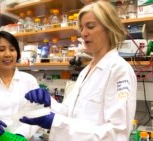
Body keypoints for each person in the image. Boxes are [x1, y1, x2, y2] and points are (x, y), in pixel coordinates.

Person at [19, 1, 137, 141]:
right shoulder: (86, 71)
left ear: (109, 28)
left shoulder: (119, 69)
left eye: (90, 26)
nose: (84, 33)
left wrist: (55, 122)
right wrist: (50, 102)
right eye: (82, 28)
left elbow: (117, 133)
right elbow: (70, 113)